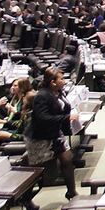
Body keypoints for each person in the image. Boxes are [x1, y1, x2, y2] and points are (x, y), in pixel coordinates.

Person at [27, 67, 78, 200]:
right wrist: (66, 118)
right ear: (52, 82)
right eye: (61, 79)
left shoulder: (59, 92)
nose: (64, 81)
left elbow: (64, 109)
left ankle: (71, 193)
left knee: (67, 159)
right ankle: (25, 198)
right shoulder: (42, 96)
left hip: (55, 134)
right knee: (40, 172)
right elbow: (42, 118)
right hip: (40, 137)